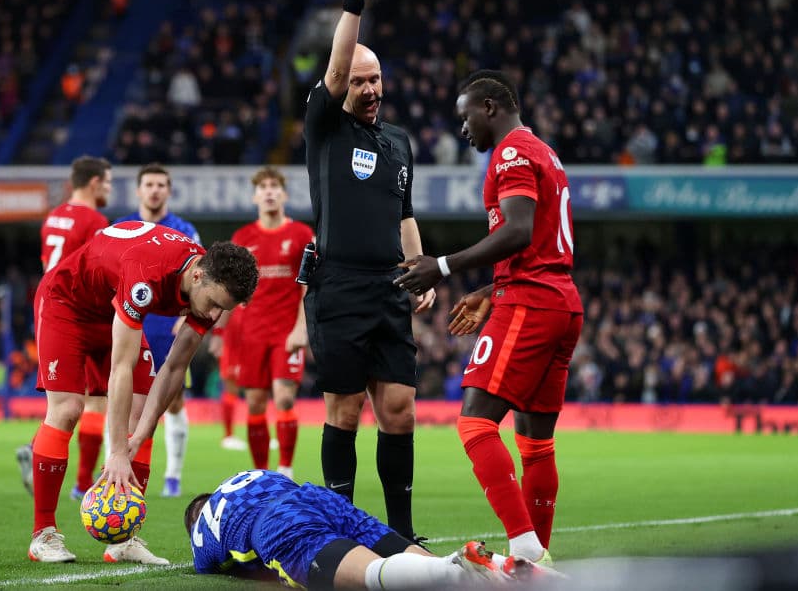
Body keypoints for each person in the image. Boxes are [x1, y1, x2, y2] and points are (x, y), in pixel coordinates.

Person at [395, 70, 584, 564]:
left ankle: (523, 545)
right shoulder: (545, 152)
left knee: (476, 425)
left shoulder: (513, 153)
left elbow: (519, 232)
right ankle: (533, 560)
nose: (463, 129)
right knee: (536, 442)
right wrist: (489, 289)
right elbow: (540, 242)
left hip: (531, 303)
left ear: (490, 108)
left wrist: (441, 266)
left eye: (465, 117)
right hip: (560, 301)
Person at [27, 221, 257, 564]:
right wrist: (118, 450)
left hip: (111, 308)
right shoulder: (146, 277)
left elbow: (175, 368)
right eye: (212, 303)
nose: (213, 315)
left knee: (141, 412)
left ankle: (123, 539)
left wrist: (141, 434)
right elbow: (121, 367)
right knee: (68, 409)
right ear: (197, 277)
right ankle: (42, 534)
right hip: (66, 304)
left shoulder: (208, 288)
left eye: (222, 309)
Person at [301, 0, 435, 541]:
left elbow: (403, 211)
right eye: (359, 81)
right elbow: (334, 70)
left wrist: (421, 270)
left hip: (388, 288)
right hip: (339, 285)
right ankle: (342, 531)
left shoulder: (400, 142)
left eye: (375, 78)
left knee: (400, 409)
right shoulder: (325, 126)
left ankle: (400, 533)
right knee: (345, 411)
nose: (370, 88)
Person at [184, 469, 550, 589]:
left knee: (371, 577)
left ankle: (456, 569)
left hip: (275, 522)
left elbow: (220, 566)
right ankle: (499, 566)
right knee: (417, 563)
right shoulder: (248, 476)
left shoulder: (203, 526)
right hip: (315, 497)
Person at [16, 155, 112, 499]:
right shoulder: (94, 220)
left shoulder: (53, 217)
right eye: (109, 181)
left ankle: (36, 447)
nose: (110, 188)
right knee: (95, 401)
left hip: (48, 307)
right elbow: (98, 268)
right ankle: (83, 484)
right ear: (94, 183)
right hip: (78, 309)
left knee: (61, 402)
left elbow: (47, 264)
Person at [114, 163, 200, 497]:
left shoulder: (184, 230)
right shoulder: (123, 228)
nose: (155, 190)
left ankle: (173, 476)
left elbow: (200, 279)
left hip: (170, 328)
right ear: (138, 190)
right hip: (131, 327)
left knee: (173, 400)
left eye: (161, 184)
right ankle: (120, 465)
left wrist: (187, 317)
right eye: (149, 184)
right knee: (127, 403)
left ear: (168, 190)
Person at [226, 166, 314, 477]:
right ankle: (262, 474)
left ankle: (286, 469)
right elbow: (232, 288)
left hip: (286, 332)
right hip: (252, 333)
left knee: (285, 396)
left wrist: (302, 328)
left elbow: (309, 286)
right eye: (263, 187)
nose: (269, 191)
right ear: (254, 196)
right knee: (254, 404)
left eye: (275, 186)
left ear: (284, 194)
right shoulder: (243, 238)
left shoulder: (302, 235)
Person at [208, 303, 246, 451]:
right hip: (232, 344)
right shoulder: (235, 292)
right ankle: (228, 435)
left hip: (248, 341)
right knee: (231, 388)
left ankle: (261, 432)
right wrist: (218, 335)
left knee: (256, 387)